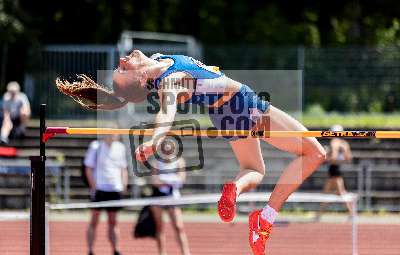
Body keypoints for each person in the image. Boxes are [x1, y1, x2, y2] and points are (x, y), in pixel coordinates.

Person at [56, 50, 326, 255]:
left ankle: (234, 189)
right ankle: (265, 219)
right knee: (315, 153)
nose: (124, 60)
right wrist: (155, 140)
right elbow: (166, 113)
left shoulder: (158, 60)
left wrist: (116, 95)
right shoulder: (169, 82)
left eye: (119, 66)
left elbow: (131, 94)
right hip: (243, 104)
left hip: (224, 115)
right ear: (140, 77)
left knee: (254, 169)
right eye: (123, 68)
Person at [84, 134, 128, 255]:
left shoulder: (120, 147)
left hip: (115, 189)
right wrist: (94, 187)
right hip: (100, 189)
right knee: (94, 220)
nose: (114, 136)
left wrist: (124, 184)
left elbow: (123, 168)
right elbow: (88, 168)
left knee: (113, 222)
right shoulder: (96, 146)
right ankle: (90, 250)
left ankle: (116, 249)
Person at [150, 154, 191, 255]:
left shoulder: (179, 161)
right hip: (158, 196)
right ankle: (162, 252)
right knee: (159, 227)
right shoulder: (156, 162)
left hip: (173, 196)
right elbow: (155, 181)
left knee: (178, 226)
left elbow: (181, 180)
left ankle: (186, 252)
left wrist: (165, 180)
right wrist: (171, 180)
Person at [318, 125, 353, 218]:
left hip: (334, 169)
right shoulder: (344, 143)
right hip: (337, 168)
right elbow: (349, 158)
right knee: (328, 192)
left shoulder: (334, 142)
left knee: (341, 193)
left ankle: (352, 214)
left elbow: (333, 157)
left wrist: (325, 158)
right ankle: (319, 214)